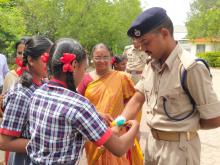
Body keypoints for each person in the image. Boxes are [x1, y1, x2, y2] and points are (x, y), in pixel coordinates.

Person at [115, 7, 220, 165]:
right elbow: (137, 99)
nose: (143, 49)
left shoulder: (189, 68)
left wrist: (184, 127)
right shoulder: (151, 66)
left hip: (178, 150)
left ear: (164, 33)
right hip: (152, 144)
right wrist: (118, 124)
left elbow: (213, 118)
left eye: (146, 42)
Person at [26, 38, 139, 165]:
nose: (84, 73)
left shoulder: (37, 93)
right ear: (74, 65)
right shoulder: (79, 105)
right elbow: (119, 148)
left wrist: (96, 115)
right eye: (85, 68)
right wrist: (135, 126)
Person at [77, 43, 143, 165]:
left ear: (111, 58)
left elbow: (133, 104)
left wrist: (134, 132)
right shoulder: (85, 79)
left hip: (118, 130)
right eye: (97, 57)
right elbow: (77, 104)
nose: (101, 61)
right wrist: (97, 114)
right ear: (92, 59)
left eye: (105, 57)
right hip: (94, 133)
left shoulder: (122, 77)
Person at [0, 35, 53, 165]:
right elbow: (4, 142)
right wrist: (46, 143)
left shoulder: (44, 84)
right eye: (46, 59)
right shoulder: (21, 94)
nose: (50, 63)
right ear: (31, 60)